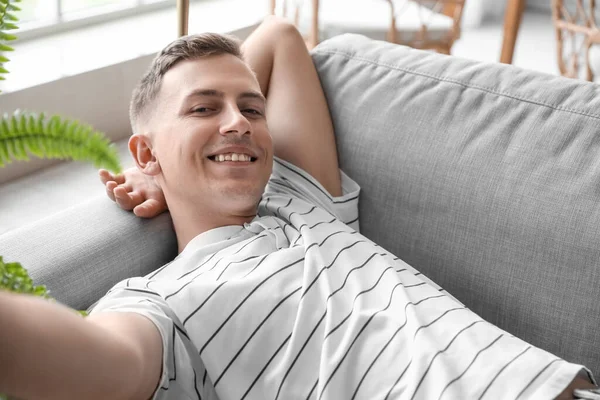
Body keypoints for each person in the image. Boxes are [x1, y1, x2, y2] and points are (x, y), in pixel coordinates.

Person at [0, 17, 596, 400]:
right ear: (143, 151)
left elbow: (280, 38)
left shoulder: (299, 197)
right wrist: (163, 166)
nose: (238, 121)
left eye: (251, 110)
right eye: (204, 109)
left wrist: (171, 162)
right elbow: (97, 361)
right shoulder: (159, 300)